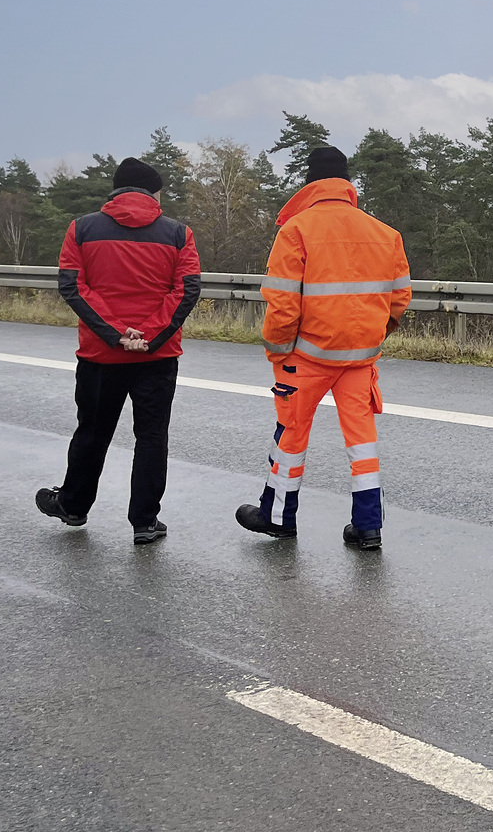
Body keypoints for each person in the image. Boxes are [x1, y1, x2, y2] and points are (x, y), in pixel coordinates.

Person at [235, 146, 411, 551]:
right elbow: (400, 295)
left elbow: (282, 303)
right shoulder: (385, 233)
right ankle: (368, 527)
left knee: (291, 438)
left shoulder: (296, 230)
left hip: (306, 357)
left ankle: (278, 519)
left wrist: (279, 351)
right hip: (360, 359)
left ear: (310, 183)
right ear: (347, 183)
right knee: (362, 443)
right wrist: (374, 332)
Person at [36, 157, 202, 545]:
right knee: (151, 437)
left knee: (92, 432)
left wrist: (115, 335)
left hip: (100, 355)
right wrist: (149, 336)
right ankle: (144, 521)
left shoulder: (81, 228)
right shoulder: (179, 233)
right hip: (157, 356)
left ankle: (73, 506)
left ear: (116, 190)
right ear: (154, 192)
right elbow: (187, 289)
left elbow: (73, 286)